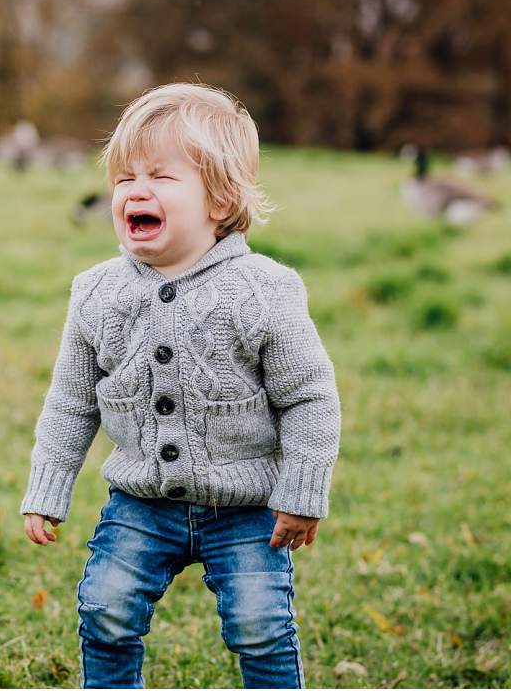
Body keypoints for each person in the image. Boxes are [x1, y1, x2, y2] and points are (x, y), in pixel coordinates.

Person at [19, 82, 341, 688]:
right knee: (105, 609)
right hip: (142, 502)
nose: (135, 190)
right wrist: (47, 487)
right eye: (124, 178)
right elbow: (69, 402)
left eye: (162, 177)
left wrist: (302, 491)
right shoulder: (96, 292)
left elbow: (309, 398)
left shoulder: (263, 291)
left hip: (246, 509)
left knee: (260, 626)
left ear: (220, 200)